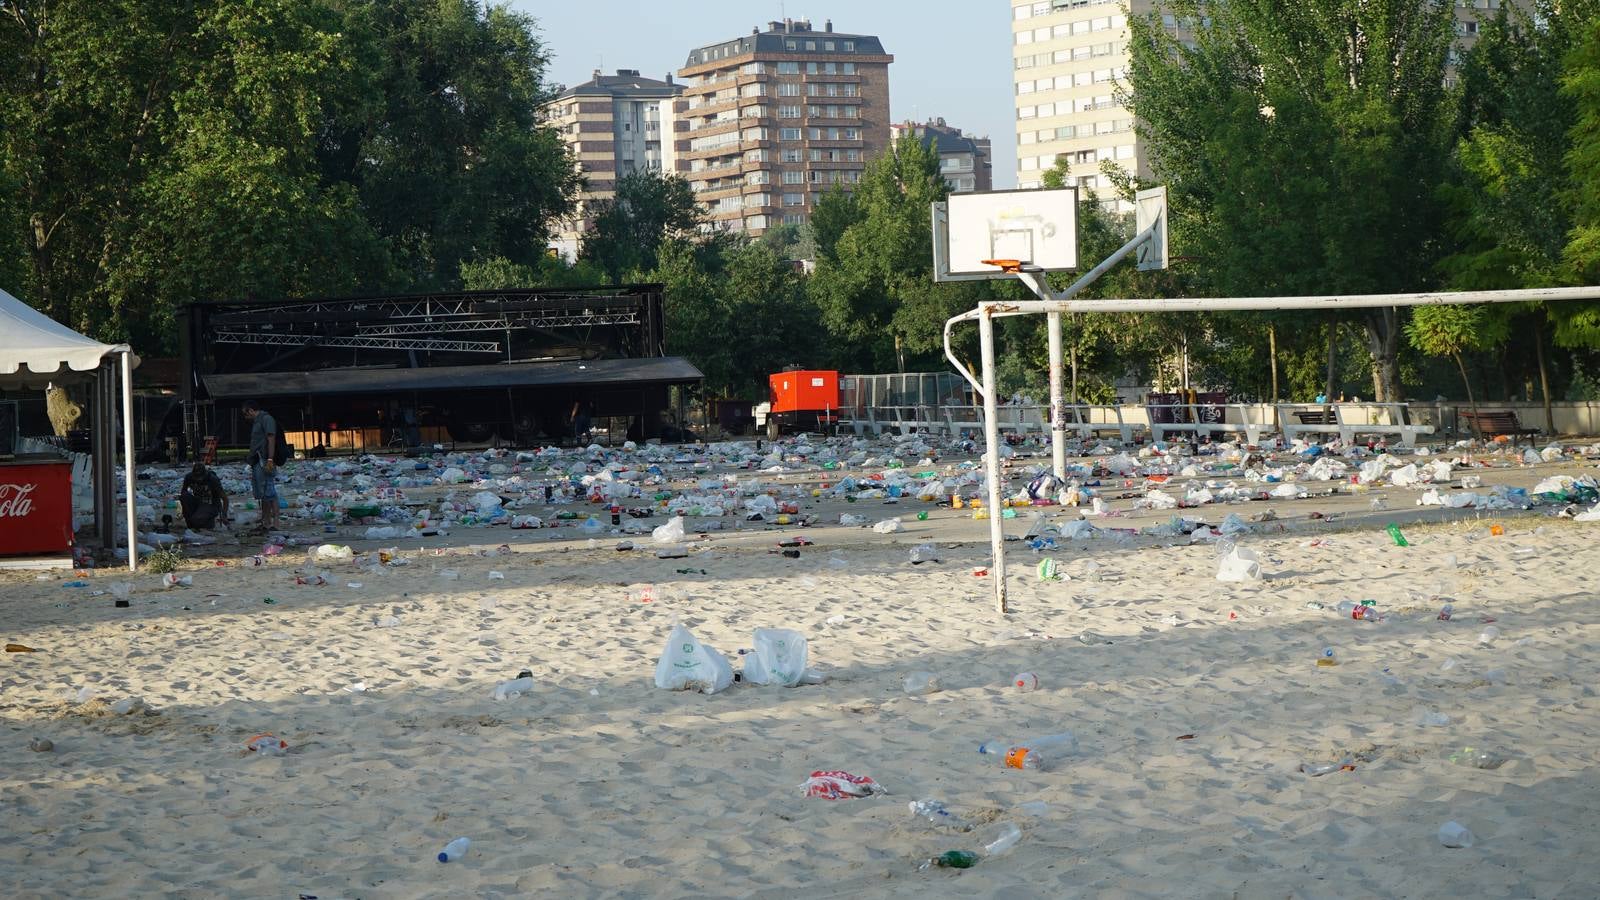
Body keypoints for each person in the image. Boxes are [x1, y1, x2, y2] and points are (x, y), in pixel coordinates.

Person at [241, 399, 280, 533]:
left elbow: (271, 438)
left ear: (251, 410)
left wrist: (270, 459)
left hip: (264, 460)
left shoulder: (266, 419)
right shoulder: (258, 421)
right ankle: (266, 522)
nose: (246, 417)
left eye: (246, 414)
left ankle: (275, 523)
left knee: (270, 491)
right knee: (263, 492)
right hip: (257, 460)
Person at [179, 462, 229, 530]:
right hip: (198, 502)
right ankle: (192, 521)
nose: (199, 479)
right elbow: (183, 491)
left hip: (211, 504)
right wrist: (185, 510)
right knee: (184, 496)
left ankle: (208, 521)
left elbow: (225, 498)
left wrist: (224, 515)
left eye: (200, 477)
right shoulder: (189, 477)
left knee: (196, 520)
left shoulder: (212, 479)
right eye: (196, 477)